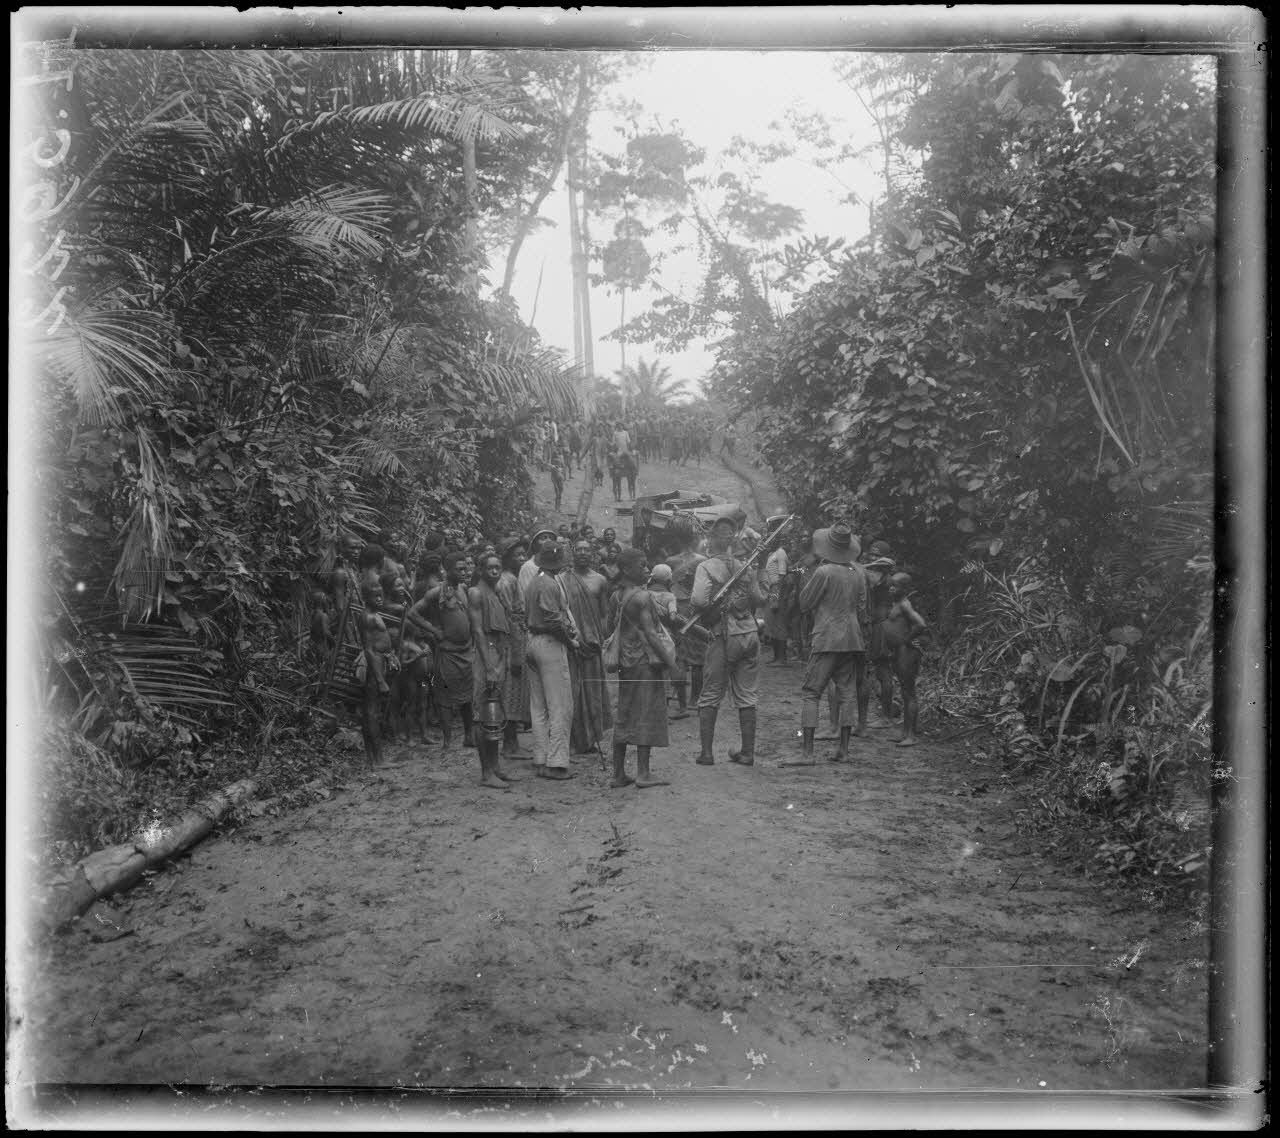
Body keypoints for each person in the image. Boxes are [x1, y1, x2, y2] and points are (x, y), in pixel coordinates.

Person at [690, 515, 766, 766]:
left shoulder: (705, 567)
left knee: (711, 693)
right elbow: (758, 599)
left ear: (711, 539)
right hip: (750, 633)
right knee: (747, 695)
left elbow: (699, 601)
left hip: (724, 635)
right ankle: (748, 753)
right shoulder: (746, 566)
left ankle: (706, 753)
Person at [795, 524, 869, 764]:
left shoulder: (823, 572)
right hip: (852, 638)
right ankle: (843, 750)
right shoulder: (858, 573)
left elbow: (804, 603)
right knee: (847, 693)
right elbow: (862, 608)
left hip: (827, 636)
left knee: (811, 692)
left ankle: (807, 753)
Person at [610, 548, 678, 789]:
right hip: (644, 662)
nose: (647, 569)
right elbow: (651, 634)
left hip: (625, 661)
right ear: (627, 569)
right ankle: (643, 773)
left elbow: (611, 628)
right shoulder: (642, 597)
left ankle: (618, 774)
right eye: (642, 565)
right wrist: (672, 665)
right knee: (646, 713)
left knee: (624, 713)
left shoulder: (616, 596)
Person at [523, 541, 582, 779]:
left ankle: (541, 758)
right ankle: (556, 763)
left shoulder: (534, 581)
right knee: (560, 705)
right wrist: (570, 642)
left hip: (532, 642)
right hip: (549, 643)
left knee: (538, 706)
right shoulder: (548, 583)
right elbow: (553, 621)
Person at [407, 550, 476, 750]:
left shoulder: (463, 588)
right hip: (448, 652)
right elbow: (413, 613)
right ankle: (447, 741)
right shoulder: (437, 592)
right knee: (445, 698)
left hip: (466, 651)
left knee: (467, 697)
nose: (464, 572)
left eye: (465, 569)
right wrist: (433, 630)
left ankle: (469, 736)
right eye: (459, 569)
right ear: (447, 570)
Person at [468, 553, 521, 789]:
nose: (495, 571)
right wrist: (489, 666)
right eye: (490, 567)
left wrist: (503, 660)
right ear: (480, 570)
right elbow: (478, 631)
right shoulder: (476, 593)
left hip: (498, 652)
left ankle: (496, 766)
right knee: (483, 714)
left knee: (495, 713)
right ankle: (486, 772)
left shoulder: (497, 591)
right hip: (485, 655)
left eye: (498, 567)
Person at [562, 540, 614, 758]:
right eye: (579, 549)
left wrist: (602, 638)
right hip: (571, 641)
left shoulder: (600, 580)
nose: (583, 553)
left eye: (586, 549)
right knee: (573, 690)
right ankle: (574, 739)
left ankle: (591, 737)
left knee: (592, 690)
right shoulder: (562, 579)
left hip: (592, 643)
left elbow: (604, 614)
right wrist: (571, 636)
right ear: (573, 553)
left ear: (592, 554)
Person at [495, 535, 532, 760]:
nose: (522, 558)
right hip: (511, 643)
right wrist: (517, 653)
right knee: (510, 693)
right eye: (517, 555)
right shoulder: (506, 582)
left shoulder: (512, 579)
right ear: (507, 558)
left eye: (523, 554)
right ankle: (509, 744)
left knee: (515, 693)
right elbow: (510, 618)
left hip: (517, 639)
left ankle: (513, 742)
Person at [882, 573, 929, 746]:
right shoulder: (896, 603)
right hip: (899, 651)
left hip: (906, 652)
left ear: (905, 589)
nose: (891, 588)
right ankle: (905, 732)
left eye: (895, 586)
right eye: (890, 585)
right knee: (904, 691)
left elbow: (921, 624)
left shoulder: (904, 604)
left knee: (909, 692)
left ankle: (911, 735)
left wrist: (907, 639)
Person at [666, 521, 707, 715]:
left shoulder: (671, 561)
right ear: (694, 540)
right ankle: (694, 699)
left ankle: (681, 702)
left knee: (679, 656)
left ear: (677, 539)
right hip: (695, 609)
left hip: (676, 607)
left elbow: (667, 586)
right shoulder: (702, 560)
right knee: (698, 657)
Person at [355, 580, 397, 765]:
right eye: (375, 596)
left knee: (373, 710)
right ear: (366, 598)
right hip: (375, 664)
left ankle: (375, 758)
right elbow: (369, 649)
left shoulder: (374, 614)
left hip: (381, 661)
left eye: (381, 595)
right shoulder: (367, 617)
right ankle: (378, 759)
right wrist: (380, 680)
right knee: (371, 712)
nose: (380, 599)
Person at [862, 545, 898, 727]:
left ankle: (886, 717)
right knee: (883, 671)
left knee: (884, 671)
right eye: (871, 554)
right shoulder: (884, 576)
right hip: (883, 625)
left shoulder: (883, 577)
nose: (872, 558)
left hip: (882, 627)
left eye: (876, 555)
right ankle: (887, 713)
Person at [760, 533, 792, 665]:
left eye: (772, 539)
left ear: (777, 540)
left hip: (777, 589)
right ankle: (776, 657)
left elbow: (782, 576)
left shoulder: (780, 553)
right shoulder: (771, 554)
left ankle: (782, 658)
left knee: (779, 623)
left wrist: (776, 597)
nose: (769, 541)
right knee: (771, 623)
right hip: (771, 589)